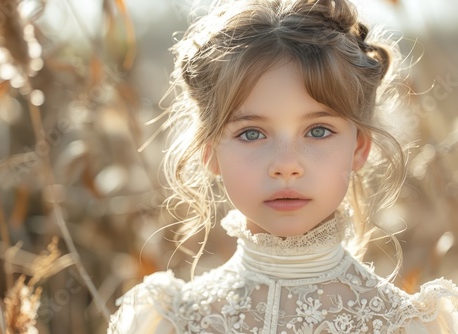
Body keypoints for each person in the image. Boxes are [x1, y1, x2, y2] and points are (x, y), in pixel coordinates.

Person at [108, 0, 458, 332]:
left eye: (318, 131)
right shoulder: (171, 322)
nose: (286, 165)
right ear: (209, 150)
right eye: (252, 133)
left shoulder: (406, 324)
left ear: (359, 147)